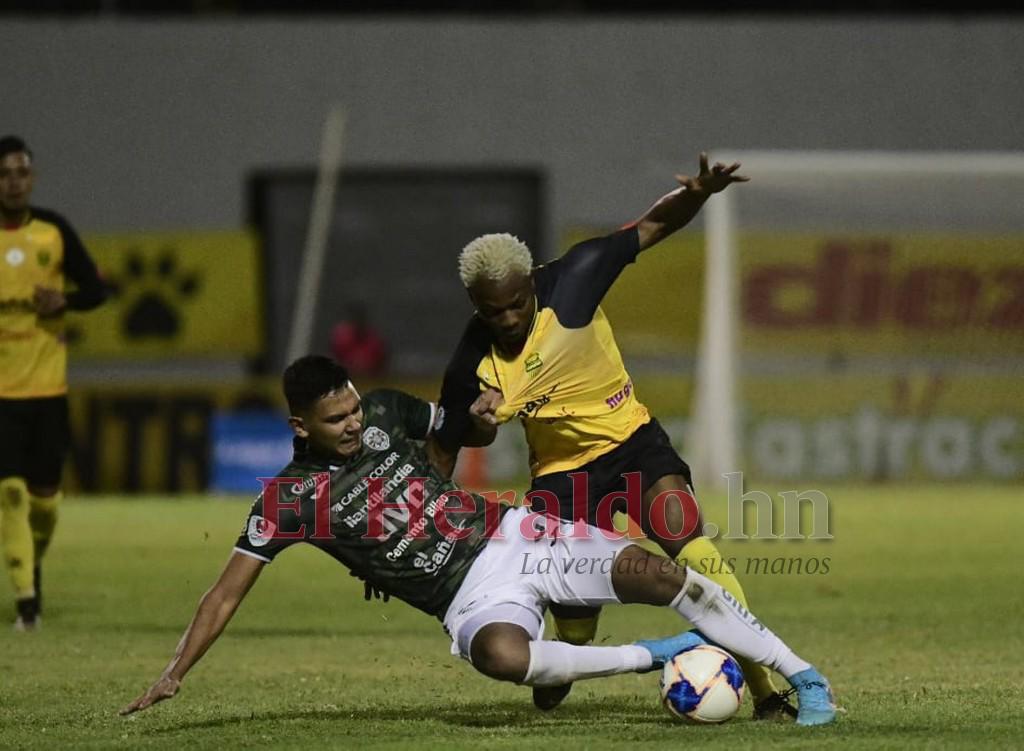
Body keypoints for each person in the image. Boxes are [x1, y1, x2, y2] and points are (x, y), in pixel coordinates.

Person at [120, 355, 836, 726]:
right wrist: (178, 667)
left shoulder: (386, 411)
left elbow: (459, 427)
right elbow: (225, 591)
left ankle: (806, 678)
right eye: (335, 417)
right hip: (463, 596)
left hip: (513, 533)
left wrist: (483, 417)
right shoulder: (286, 502)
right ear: (299, 425)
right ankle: (663, 654)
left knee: (658, 572)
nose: (352, 421)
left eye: (352, 406)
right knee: (501, 656)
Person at [435, 154, 795, 717]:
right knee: (576, 623)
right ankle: (561, 664)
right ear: (474, 305)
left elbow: (650, 226)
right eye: (492, 311)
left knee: (699, 558)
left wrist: (698, 194)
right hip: (562, 477)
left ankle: (767, 692)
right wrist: (477, 427)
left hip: (634, 443)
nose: (506, 319)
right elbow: (455, 440)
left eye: (515, 304)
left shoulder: (577, 278)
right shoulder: (468, 362)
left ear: (532, 282)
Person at [0, 135, 107, 630]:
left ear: (33, 177)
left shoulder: (53, 231)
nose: (14, 182)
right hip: (2, 394)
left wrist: (63, 300)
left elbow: (97, 290)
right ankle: (27, 602)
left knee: (45, 504)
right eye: (5, 173)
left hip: (47, 392)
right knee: (12, 496)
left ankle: (31, 561)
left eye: (21, 172)